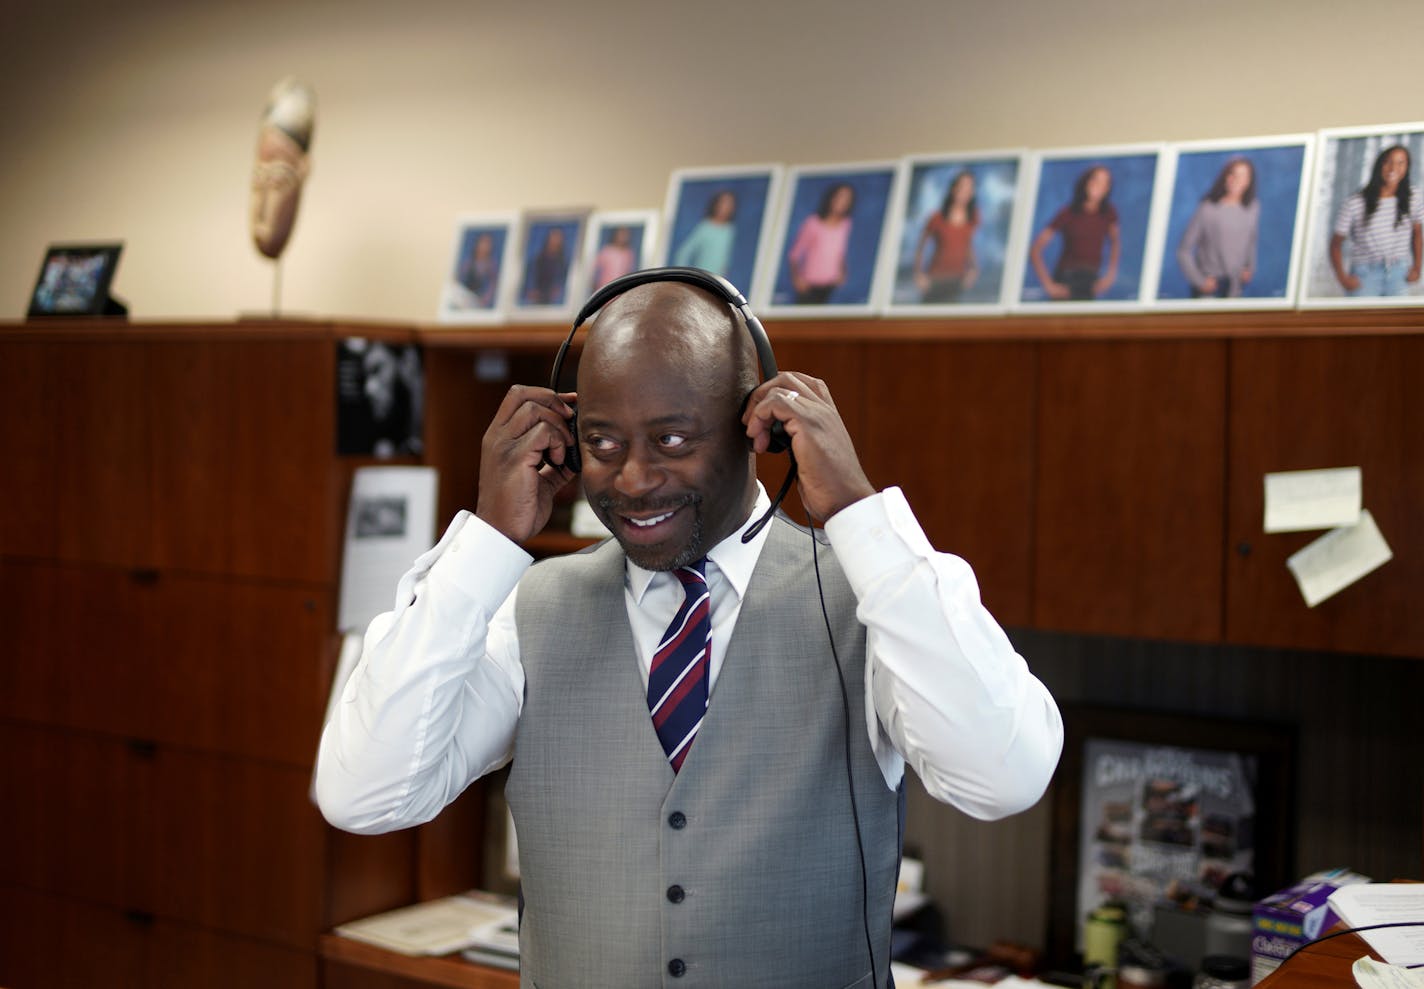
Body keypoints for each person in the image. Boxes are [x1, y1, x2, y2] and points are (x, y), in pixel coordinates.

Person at [315, 274, 1063, 988]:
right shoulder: (528, 607)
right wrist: (486, 544)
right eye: (603, 443)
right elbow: (364, 794)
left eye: (672, 439)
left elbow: (1003, 776)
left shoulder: (872, 602)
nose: (634, 479)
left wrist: (862, 517)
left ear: (758, 429)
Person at [1329, 144, 1424, 296]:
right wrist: (1342, 278)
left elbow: (1417, 233)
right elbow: (1335, 244)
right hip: (1365, 275)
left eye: (1401, 163)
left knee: (1397, 320)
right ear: (1380, 165)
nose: (1394, 168)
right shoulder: (1355, 202)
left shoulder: (1414, 197)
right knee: (1362, 320)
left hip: (1399, 273)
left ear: (1407, 167)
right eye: (1388, 162)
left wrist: (1417, 267)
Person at [1029, 164, 1120, 301]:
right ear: (1086, 182)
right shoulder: (1069, 213)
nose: (1098, 186)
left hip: (1090, 280)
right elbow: (1036, 249)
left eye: (1104, 183)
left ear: (1107, 189)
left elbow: (1115, 242)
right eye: (1095, 180)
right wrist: (1048, 285)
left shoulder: (1108, 214)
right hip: (1066, 279)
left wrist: (1110, 276)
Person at [1176, 157, 1260, 298]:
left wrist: (1249, 267)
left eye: (1243, 176)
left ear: (1249, 181)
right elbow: (1183, 251)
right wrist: (1200, 281)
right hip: (1210, 289)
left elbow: (1251, 239)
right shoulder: (1208, 208)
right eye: (1233, 174)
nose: (1237, 180)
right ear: (1226, 177)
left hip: (1235, 289)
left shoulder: (1252, 208)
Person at [913, 170, 980, 303]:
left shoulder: (974, 217)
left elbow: (967, 245)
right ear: (953, 189)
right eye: (961, 187)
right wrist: (919, 274)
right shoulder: (936, 218)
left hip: (958, 280)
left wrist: (974, 269)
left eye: (969, 188)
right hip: (935, 279)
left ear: (972, 192)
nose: (965, 192)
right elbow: (921, 247)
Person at [785, 182, 855, 304]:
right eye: (840, 197)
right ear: (831, 198)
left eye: (847, 199)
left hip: (831, 286)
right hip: (809, 286)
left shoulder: (846, 224)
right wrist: (797, 278)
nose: (842, 202)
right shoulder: (813, 223)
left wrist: (842, 271)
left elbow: (840, 252)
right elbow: (794, 254)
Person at [672, 189, 737, 275]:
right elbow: (683, 253)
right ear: (716, 205)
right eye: (723, 203)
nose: (726, 207)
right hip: (702, 279)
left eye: (730, 204)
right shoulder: (705, 227)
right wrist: (683, 276)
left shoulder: (730, 230)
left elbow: (725, 261)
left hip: (717, 282)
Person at [524, 226, 569, 305]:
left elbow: (562, 283)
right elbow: (530, 280)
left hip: (553, 300)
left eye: (558, 238)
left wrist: (557, 290)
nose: (555, 241)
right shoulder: (537, 260)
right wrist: (532, 291)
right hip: (537, 297)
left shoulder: (563, 263)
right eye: (553, 237)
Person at [459, 231, 499, 308]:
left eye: (488, 243)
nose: (485, 246)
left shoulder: (490, 265)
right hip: (465, 298)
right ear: (477, 244)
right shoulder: (468, 263)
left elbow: (493, 284)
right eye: (483, 242)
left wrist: (485, 299)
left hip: (479, 301)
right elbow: (459, 281)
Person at [592, 225, 638, 290]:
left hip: (620, 286)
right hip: (605, 286)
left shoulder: (628, 253)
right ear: (616, 235)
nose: (623, 237)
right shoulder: (607, 250)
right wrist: (594, 282)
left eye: (625, 235)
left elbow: (629, 271)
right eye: (621, 234)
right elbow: (595, 269)